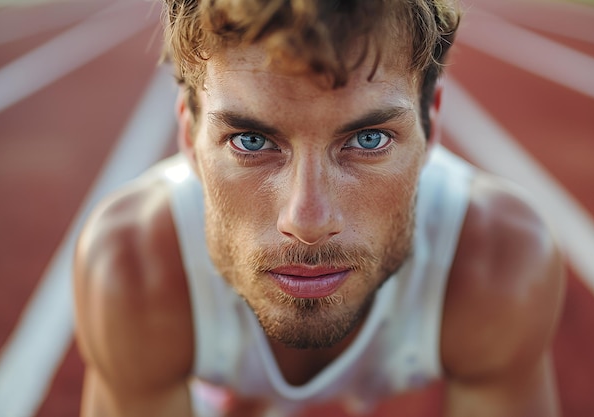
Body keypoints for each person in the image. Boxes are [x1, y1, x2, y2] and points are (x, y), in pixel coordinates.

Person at [72, 0, 566, 416]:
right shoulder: (132, 266)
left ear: (430, 127)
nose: (307, 221)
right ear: (188, 135)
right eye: (250, 140)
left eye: (368, 139)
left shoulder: (500, 261)